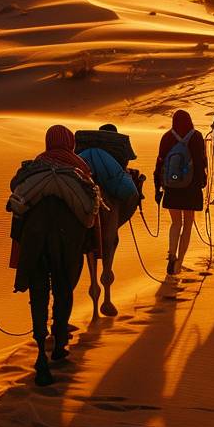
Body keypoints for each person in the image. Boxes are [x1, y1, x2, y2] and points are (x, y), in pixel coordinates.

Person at [8, 125, 97, 385]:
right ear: (69, 142)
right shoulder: (79, 167)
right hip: (68, 238)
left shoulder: (37, 165)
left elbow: (17, 194)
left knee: (39, 292)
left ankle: (39, 354)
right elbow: (89, 208)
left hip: (35, 236)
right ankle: (59, 342)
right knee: (63, 288)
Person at [77, 124, 141, 317]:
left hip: (85, 202)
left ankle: (97, 307)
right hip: (110, 202)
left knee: (89, 250)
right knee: (110, 242)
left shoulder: (86, 154)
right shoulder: (115, 160)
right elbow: (129, 192)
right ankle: (106, 299)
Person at [156, 110, 207, 275]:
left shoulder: (167, 137)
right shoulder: (196, 136)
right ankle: (179, 262)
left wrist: (158, 186)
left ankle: (172, 254)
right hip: (191, 188)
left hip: (172, 187)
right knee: (188, 224)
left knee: (175, 223)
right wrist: (201, 182)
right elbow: (200, 163)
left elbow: (160, 163)